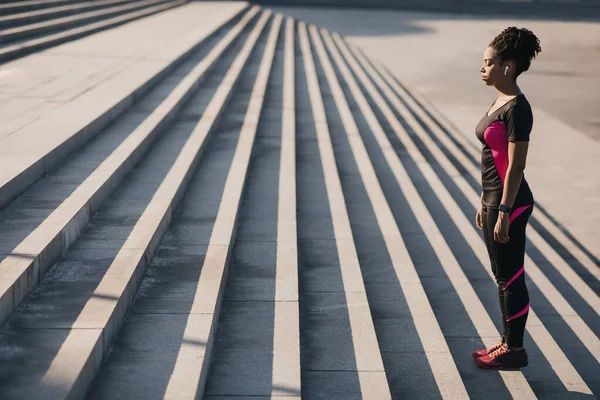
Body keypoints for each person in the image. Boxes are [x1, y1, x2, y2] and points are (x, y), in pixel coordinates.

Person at [472, 27, 541, 369]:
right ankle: (506, 342)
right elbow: (492, 157)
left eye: (489, 63)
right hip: (494, 198)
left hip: (510, 202)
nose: (482, 69)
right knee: (502, 275)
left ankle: (514, 351)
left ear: (508, 66)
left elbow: (516, 165)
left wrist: (503, 209)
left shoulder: (517, 108)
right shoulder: (499, 99)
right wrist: (483, 200)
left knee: (510, 276)